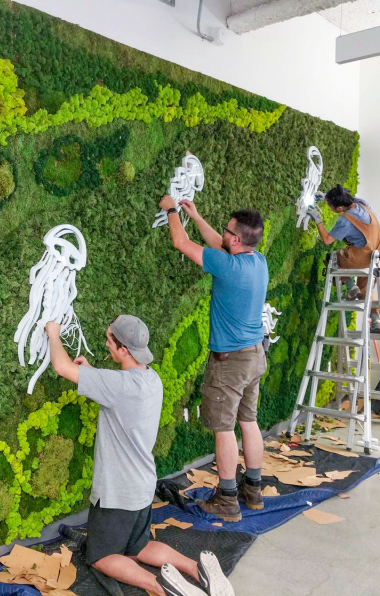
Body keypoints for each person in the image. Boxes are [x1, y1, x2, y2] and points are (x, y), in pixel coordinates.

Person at [45, 315, 235, 596]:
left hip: (117, 494)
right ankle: (197, 569)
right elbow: (117, 392)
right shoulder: (151, 379)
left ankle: (161, 587)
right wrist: (93, 373)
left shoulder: (117, 385)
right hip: (142, 487)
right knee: (138, 547)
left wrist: (53, 333)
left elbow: (61, 367)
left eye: (110, 339)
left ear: (123, 350)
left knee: (99, 556)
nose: (106, 342)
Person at [158, 195, 268, 524]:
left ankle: (228, 500)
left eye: (227, 230)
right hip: (255, 357)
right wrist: (197, 214)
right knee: (249, 422)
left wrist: (172, 210)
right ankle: (254, 490)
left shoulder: (227, 266)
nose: (223, 233)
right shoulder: (256, 260)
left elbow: (181, 241)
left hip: (230, 363)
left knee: (223, 429)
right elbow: (219, 245)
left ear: (236, 239)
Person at [306, 184, 380, 331]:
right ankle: (376, 320)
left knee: (333, 258)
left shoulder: (345, 221)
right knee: (366, 288)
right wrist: (325, 196)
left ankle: (350, 287)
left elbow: (328, 240)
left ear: (340, 208)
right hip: (378, 253)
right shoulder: (362, 204)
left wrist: (317, 220)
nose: (330, 208)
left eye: (331, 206)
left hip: (363, 254)